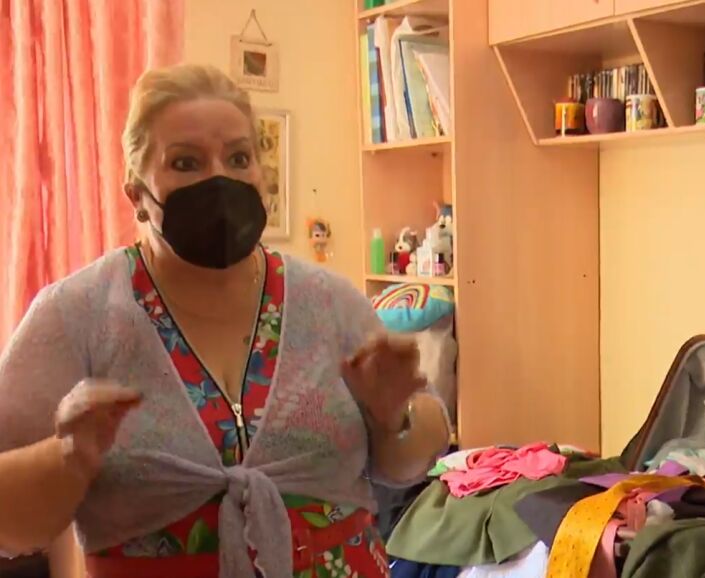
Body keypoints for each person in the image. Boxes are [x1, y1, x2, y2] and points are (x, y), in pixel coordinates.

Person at [0, 64, 451, 578]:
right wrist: (69, 457)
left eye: (238, 158)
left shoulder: (329, 302)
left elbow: (407, 464)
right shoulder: (78, 313)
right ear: (137, 195)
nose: (219, 179)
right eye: (186, 162)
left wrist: (395, 420)